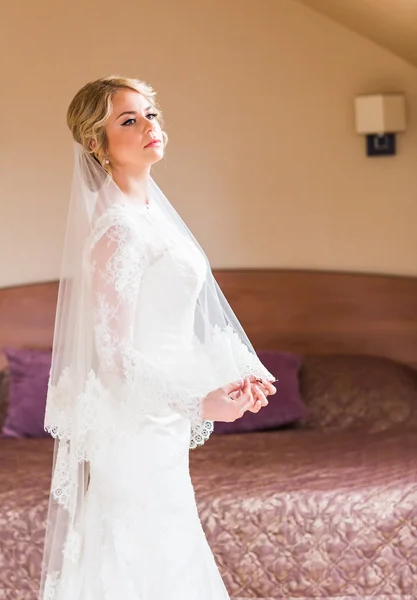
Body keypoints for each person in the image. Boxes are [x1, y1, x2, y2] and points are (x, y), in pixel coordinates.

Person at [39, 76, 277, 600]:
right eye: (129, 120)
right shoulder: (118, 228)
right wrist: (199, 401)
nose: (150, 126)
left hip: (160, 426)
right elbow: (117, 355)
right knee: (143, 561)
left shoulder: (151, 216)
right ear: (97, 145)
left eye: (151, 114)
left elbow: (166, 327)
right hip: (134, 432)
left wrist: (230, 377)